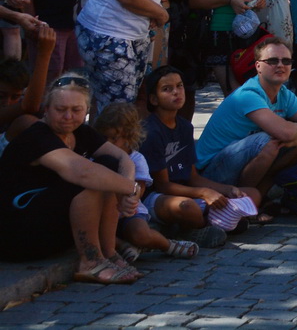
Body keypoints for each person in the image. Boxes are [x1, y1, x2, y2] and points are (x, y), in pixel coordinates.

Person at [0, 81, 141, 282]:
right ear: (46, 110)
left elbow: (122, 158)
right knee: (91, 180)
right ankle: (90, 262)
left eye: (76, 110)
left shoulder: (80, 131)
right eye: (61, 110)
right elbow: (80, 172)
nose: (68, 117)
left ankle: (108, 252)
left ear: (86, 110)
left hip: (50, 225)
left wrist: (129, 190)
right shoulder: (37, 137)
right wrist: (131, 188)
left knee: (108, 166)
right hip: (18, 234)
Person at [137, 66, 254, 247]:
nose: (176, 92)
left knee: (250, 194)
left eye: (180, 86)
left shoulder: (185, 126)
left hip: (185, 191)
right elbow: (163, 185)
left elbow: (192, 177)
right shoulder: (151, 131)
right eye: (167, 89)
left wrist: (226, 189)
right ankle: (192, 229)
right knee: (187, 207)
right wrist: (204, 193)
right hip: (158, 198)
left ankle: (203, 224)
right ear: (154, 99)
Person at [195, 37, 297, 189]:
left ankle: (262, 191)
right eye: (273, 61)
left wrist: (293, 141)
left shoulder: (284, 94)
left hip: (238, 161)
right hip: (210, 172)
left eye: (286, 61)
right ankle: (246, 202)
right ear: (258, 66)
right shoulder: (248, 95)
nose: (281, 65)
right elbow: (287, 133)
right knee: (267, 142)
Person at [93, 102, 199, 260]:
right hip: (101, 214)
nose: (108, 143)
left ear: (128, 137)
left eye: (114, 139)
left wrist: (129, 200)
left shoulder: (136, 159)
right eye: (104, 138)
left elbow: (139, 189)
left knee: (141, 233)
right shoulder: (95, 156)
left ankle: (168, 245)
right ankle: (123, 246)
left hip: (129, 212)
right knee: (95, 233)